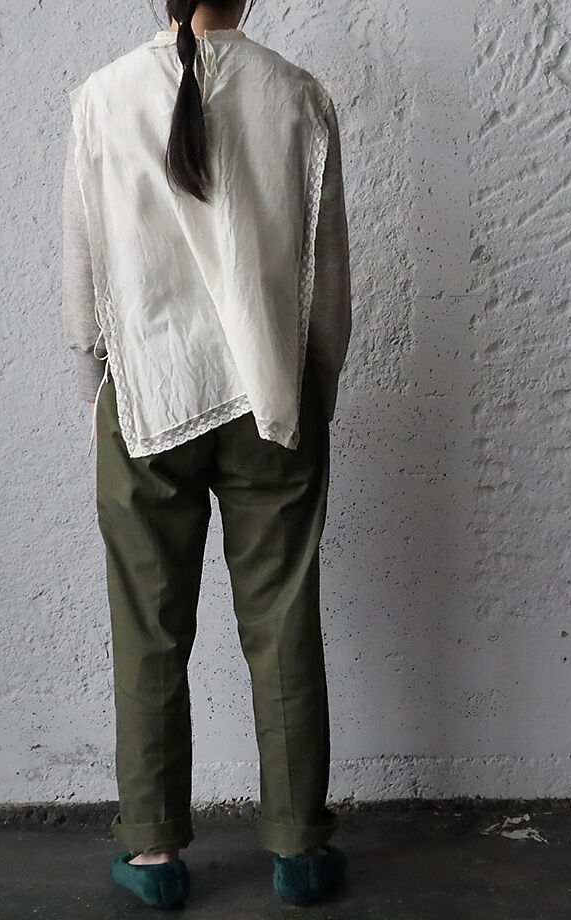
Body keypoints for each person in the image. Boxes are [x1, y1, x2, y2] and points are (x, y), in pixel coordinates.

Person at [62, 0, 351, 908]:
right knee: (283, 620)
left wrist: (98, 397)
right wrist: (314, 396)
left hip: (145, 395)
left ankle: (153, 856)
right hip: (271, 393)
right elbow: (327, 288)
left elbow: (83, 287)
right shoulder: (299, 96)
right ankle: (300, 850)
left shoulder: (101, 98)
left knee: (148, 628)